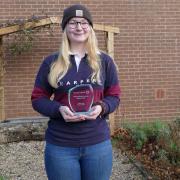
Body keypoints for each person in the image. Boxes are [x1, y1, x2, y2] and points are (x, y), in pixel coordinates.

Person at [31, 4, 120, 180]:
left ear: (90, 28)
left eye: (84, 22)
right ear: (65, 28)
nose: (79, 27)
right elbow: (38, 98)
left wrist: (102, 108)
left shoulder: (105, 61)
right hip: (61, 145)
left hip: (97, 144)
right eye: (73, 22)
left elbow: (114, 96)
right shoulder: (51, 62)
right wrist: (59, 110)